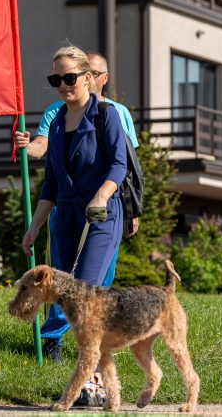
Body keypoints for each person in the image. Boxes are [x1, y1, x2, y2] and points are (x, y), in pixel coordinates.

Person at [13, 50, 138, 372]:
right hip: (65, 213)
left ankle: (95, 371)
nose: (63, 85)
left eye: (69, 78)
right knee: (62, 290)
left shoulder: (106, 114)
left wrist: (100, 197)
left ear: (87, 77)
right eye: (56, 80)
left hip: (101, 211)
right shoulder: (56, 122)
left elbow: (119, 165)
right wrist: (34, 227)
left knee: (86, 290)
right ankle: (65, 346)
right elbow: (52, 183)